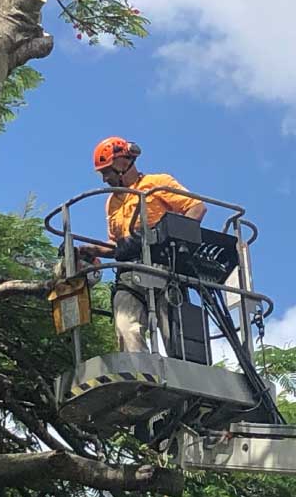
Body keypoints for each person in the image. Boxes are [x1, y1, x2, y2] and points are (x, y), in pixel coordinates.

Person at [81, 136, 206, 352]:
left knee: (175, 335)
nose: (104, 179)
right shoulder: (112, 202)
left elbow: (196, 207)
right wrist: (92, 249)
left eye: (106, 171)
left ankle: (179, 373)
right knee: (125, 328)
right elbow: (117, 244)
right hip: (130, 274)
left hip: (163, 270)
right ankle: (143, 375)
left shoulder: (156, 184)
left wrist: (172, 241)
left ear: (122, 162)